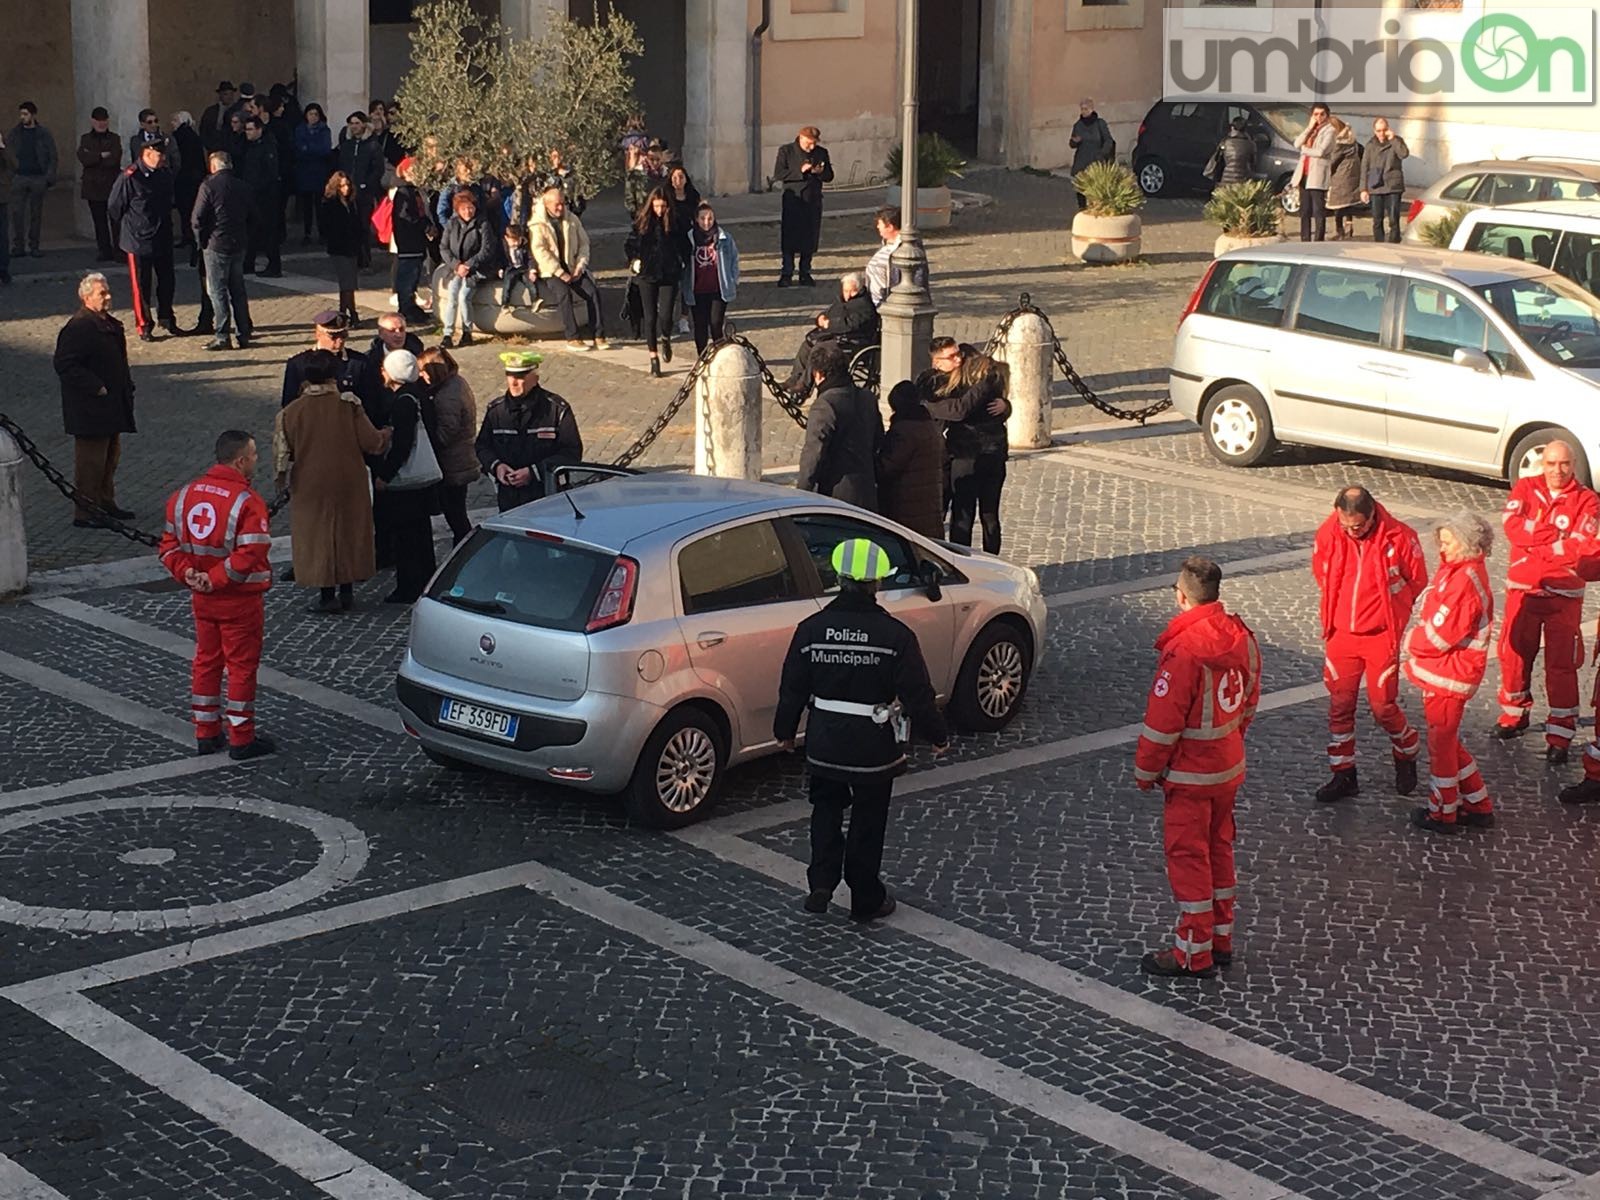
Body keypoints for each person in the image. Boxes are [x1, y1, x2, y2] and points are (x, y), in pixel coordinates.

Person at [775, 537, 950, 921]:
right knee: (868, 822)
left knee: (825, 810)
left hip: (824, 740)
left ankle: (821, 880)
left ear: (838, 577)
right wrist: (937, 735)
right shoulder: (896, 636)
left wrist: (784, 731)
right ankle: (865, 897)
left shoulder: (811, 629)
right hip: (873, 746)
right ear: (877, 584)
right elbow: (917, 692)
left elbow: (792, 687)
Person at [1134, 556, 1260, 978]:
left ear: (1181, 595)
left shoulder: (1184, 650)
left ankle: (1192, 951)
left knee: (1188, 858)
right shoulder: (1241, 636)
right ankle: (1221, 938)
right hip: (1228, 768)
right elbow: (1250, 698)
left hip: (1190, 776)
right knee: (1220, 850)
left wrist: (1146, 772)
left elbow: (1162, 724)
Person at [156, 430, 275, 760]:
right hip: (238, 599)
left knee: (206, 662)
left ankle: (206, 732)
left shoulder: (183, 496)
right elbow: (250, 552)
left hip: (201, 598)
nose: (256, 461)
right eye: (253, 456)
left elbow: (168, 546)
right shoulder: (247, 502)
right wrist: (216, 578)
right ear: (240, 461)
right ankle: (241, 738)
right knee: (240, 668)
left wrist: (188, 573)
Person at [1308, 486, 1428, 803]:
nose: (1350, 531)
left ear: (1372, 514)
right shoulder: (1329, 533)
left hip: (1379, 636)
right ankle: (1343, 774)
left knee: (1383, 707)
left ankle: (1407, 750)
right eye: (1345, 525)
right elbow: (1321, 572)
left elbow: (1417, 580)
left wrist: (1394, 614)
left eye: (1357, 526)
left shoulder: (1401, 537)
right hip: (1341, 635)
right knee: (1340, 706)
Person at [1495, 440, 1598, 760]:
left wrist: (1537, 541)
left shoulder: (1588, 501)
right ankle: (1514, 713)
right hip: (1523, 589)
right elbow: (1513, 528)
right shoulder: (1525, 488)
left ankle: (1561, 733)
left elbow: (1582, 546)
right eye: (1552, 464)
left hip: (1564, 596)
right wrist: (1557, 537)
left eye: (1564, 464)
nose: (1558, 471)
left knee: (1562, 665)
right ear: (1543, 464)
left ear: (1574, 465)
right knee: (1513, 655)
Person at [1399, 512, 1497, 834]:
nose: (1442, 546)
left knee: (1441, 747)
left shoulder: (1463, 581)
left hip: (1449, 674)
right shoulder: (1459, 570)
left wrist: (1408, 641)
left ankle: (1442, 813)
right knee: (1449, 743)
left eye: (1447, 540)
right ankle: (1478, 804)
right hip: (1450, 672)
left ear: (1465, 542)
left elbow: (1439, 637)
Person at [276, 349, 391, 614]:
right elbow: (371, 442)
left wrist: (281, 482)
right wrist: (386, 434)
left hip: (309, 482)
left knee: (318, 535)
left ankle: (326, 594)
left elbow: (283, 452)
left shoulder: (290, 412)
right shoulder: (349, 405)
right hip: (349, 478)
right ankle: (347, 589)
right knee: (348, 531)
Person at [53, 272, 136, 527]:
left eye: (108, 291)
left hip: (111, 404)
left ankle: (105, 501)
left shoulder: (109, 324)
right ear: (86, 297)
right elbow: (65, 364)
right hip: (90, 408)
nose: (108, 297)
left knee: (110, 457)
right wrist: (95, 386)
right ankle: (86, 511)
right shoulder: (79, 327)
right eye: (102, 293)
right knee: (90, 463)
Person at [921, 339, 1010, 554]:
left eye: (958, 353)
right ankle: (963, 560)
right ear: (937, 361)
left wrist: (1006, 407)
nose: (958, 358)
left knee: (988, 514)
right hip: (963, 454)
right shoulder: (933, 384)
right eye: (951, 357)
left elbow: (993, 403)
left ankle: (990, 561)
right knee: (963, 514)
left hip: (988, 452)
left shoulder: (979, 370)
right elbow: (957, 410)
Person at [371, 349, 442, 604]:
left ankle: (409, 587)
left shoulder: (403, 401)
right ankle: (425, 580)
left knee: (407, 536)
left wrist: (385, 475)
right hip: (423, 481)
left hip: (407, 482)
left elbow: (403, 444)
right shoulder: (420, 395)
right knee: (421, 534)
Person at [475, 351, 582, 511]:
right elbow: (482, 446)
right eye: (510, 375)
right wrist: (497, 466)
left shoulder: (556, 409)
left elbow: (571, 452)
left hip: (547, 496)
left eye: (521, 376)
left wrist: (534, 472)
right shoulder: (496, 411)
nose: (514, 382)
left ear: (535, 378)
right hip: (509, 498)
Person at [107, 136, 179, 342]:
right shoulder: (131, 177)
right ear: (147, 154)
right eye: (159, 154)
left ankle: (166, 316)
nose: (163, 158)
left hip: (163, 235)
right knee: (141, 285)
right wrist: (128, 229)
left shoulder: (164, 174)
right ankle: (144, 324)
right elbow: (114, 206)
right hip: (138, 239)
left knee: (167, 280)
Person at [796, 341, 881, 512]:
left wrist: (800, 495)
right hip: (867, 490)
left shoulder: (825, 405)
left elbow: (813, 454)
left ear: (818, 375)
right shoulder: (867, 397)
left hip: (837, 494)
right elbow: (878, 440)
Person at [531, 185, 608, 352]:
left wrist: (580, 266)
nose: (560, 208)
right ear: (547, 204)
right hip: (551, 271)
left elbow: (584, 244)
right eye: (556, 204)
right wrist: (559, 272)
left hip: (573, 267)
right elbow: (540, 251)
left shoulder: (572, 219)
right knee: (564, 294)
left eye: (562, 203)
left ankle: (599, 334)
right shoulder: (537, 224)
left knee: (592, 292)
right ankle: (572, 337)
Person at [190, 150, 254, 352]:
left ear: (213, 166)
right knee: (238, 289)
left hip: (216, 243)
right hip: (238, 243)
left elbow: (197, 218)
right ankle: (244, 332)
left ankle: (222, 334)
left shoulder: (208, 186)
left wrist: (201, 242)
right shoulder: (242, 186)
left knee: (217, 291)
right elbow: (254, 215)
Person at [780, 272, 878, 397]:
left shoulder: (864, 306)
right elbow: (831, 312)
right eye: (845, 291)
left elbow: (850, 324)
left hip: (852, 341)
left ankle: (804, 385)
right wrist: (821, 319)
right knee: (807, 345)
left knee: (819, 350)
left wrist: (829, 324)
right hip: (837, 336)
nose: (847, 295)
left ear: (859, 290)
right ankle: (795, 378)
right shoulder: (842, 300)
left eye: (851, 291)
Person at [420, 346, 479, 544]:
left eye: (423, 371)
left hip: (454, 463)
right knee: (456, 511)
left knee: (455, 514)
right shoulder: (455, 383)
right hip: (461, 459)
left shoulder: (447, 395)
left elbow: (446, 432)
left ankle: (463, 549)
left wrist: (427, 443)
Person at [625, 188, 686, 376]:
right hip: (647, 274)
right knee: (650, 317)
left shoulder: (675, 223)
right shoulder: (642, 223)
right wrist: (634, 260)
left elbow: (684, 244)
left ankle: (665, 337)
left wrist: (680, 261)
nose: (659, 210)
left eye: (663, 206)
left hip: (669, 273)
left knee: (666, 315)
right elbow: (630, 244)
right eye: (657, 206)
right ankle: (653, 358)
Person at [875, 381, 945, 540]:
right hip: (928, 506)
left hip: (906, 508)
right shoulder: (929, 425)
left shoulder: (904, 431)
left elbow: (887, 467)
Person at [280, 309, 376, 417]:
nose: (339, 341)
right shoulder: (298, 364)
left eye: (343, 335)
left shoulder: (359, 363)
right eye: (333, 337)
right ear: (318, 334)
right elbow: (289, 406)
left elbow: (371, 404)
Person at [774, 126, 833, 287]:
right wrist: (800, 171)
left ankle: (805, 272)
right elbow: (779, 174)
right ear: (801, 137)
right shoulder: (786, 151)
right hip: (793, 200)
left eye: (814, 143)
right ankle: (786, 273)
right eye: (809, 143)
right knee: (790, 238)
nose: (812, 147)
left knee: (810, 238)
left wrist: (819, 172)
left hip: (813, 200)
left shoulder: (821, 152)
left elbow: (829, 176)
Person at [438, 188, 497, 349]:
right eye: (464, 208)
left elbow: (487, 249)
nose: (468, 211)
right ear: (458, 210)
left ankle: (467, 331)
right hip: (456, 267)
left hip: (476, 269)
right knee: (452, 295)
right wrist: (456, 265)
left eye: (470, 207)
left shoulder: (483, 224)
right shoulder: (452, 224)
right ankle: (447, 334)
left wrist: (470, 265)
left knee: (464, 296)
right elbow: (444, 247)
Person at [683, 202, 738, 354]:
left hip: (718, 289)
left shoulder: (724, 238)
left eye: (710, 218)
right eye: (703, 218)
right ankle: (702, 357)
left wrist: (733, 280)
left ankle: (718, 356)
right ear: (696, 219)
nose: (706, 222)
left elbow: (734, 259)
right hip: (697, 290)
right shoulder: (689, 239)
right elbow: (684, 264)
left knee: (716, 324)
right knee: (700, 325)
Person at [9, 101, 57, 259]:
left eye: (26, 114)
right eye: (21, 114)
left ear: (33, 115)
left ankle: (34, 245)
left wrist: (48, 177)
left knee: (36, 214)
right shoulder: (15, 133)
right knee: (17, 214)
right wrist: (11, 175)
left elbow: (52, 155)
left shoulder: (43, 134)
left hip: (38, 177)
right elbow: (8, 154)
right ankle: (19, 246)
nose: (23, 117)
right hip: (20, 176)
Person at [336, 111, 384, 268]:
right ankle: (350, 256)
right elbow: (341, 165)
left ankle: (364, 259)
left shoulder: (372, 145)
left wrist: (366, 184)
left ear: (363, 124)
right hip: (347, 191)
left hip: (364, 192)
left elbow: (378, 169)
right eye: (351, 123)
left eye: (357, 123)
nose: (354, 126)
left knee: (363, 225)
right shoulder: (347, 145)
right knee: (348, 225)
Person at [389, 156, 432, 324]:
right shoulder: (404, 193)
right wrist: (424, 226)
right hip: (408, 241)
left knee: (413, 275)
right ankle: (405, 307)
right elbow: (407, 217)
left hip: (416, 241)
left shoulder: (413, 191)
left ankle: (410, 305)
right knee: (407, 275)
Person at [76, 107, 122, 262]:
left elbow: (114, 159)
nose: (101, 123)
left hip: (111, 186)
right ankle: (104, 250)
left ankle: (119, 250)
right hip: (93, 187)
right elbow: (83, 158)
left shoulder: (115, 138)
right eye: (98, 120)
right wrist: (101, 155)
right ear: (92, 121)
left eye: (104, 120)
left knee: (116, 221)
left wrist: (95, 157)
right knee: (99, 222)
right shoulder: (85, 139)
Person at [239, 115, 281, 276]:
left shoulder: (268, 146)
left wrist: (257, 188)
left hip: (266, 196)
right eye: (246, 129)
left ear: (259, 130)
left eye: (250, 129)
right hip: (251, 195)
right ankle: (248, 263)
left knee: (269, 232)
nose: (247, 133)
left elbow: (270, 173)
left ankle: (274, 265)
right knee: (251, 232)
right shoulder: (249, 146)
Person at [320, 170, 363, 328]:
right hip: (339, 248)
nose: (346, 189)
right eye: (342, 186)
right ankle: (348, 314)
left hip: (351, 247)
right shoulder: (330, 203)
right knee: (347, 283)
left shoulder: (352, 202)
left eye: (347, 185)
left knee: (349, 284)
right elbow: (325, 227)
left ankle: (347, 313)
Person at [864, 207, 929, 308]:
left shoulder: (908, 248)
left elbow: (918, 278)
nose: (877, 227)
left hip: (891, 305)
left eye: (879, 224)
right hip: (877, 304)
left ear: (890, 227)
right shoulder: (886, 245)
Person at [1361, 118, 1410, 244]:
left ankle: (1394, 243)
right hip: (1376, 185)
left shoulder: (1396, 141)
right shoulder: (1370, 144)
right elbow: (1364, 166)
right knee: (1377, 219)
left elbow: (1404, 154)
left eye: (1384, 130)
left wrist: (1393, 139)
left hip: (1393, 186)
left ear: (1388, 129)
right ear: (1374, 131)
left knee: (1394, 219)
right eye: (1378, 131)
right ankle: (1379, 244)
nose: (1381, 134)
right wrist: (1363, 189)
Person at [1291, 102, 1335, 243]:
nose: (1319, 117)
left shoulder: (1330, 131)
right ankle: (1305, 239)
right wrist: (1309, 128)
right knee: (1304, 211)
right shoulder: (1311, 130)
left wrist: (1305, 150)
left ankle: (1318, 240)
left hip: (1317, 174)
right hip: (1304, 174)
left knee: (1318, 211)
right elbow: (1297, 144)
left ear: (1327, 115)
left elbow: (1321, 151)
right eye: (1316, 114)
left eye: (1322, 114)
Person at [293, 103, 334, 245]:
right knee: (306, 205)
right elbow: (298, 148)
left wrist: (308, 148)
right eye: (310, 114)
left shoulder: (324, 130)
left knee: (320, 204)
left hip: (319, 172)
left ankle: (323, 232)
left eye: (316, 114)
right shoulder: (300, 129)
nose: (313, 117)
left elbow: (325, 149)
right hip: (304, 171)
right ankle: (307, 232)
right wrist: (311, 149)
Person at [1068, 98, 1116, 209]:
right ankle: (1082, 208)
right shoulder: (1078, 125)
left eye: (1085, 109)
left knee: (1097, 187)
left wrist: (1102, 153)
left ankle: (1097, 208)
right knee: (1081, 187)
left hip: (1096, 159)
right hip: (1082, 160)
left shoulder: (1100, 124)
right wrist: (1075, 141)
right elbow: (1071, 144)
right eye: (1082, 109)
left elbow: (1108, 140)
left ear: (1091, 109)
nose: (1083, 111)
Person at [1325, 118, 1364, 241]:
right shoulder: (1352, 140)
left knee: (1338, 205)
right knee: (1348, 204)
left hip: (1340, 176)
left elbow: (1333, 161)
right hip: (1352, 176)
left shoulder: (1340, 143)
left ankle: (1339, 230)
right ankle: (1349, 225)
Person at [170, 112, 205, 248]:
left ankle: (188, 236)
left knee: (185, 209)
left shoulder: (179, 137)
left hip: (184, 178)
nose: (172, 123)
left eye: (174, 120)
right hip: (195, 178)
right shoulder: (194, 136)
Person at [1204, 116, 1256, 187]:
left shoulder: (1225, 142)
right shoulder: (1251, 145)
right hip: (1242, 182)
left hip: (1225, 180)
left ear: (1232, 128)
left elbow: (1217, 159)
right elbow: (1253, 162)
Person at [499, 223, 536, 312]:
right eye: (513, 241)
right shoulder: (503, 247)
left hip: (523, 268)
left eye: (518, 240)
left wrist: (532, 269)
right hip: (512, 268)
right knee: (508, 283)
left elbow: (530, 258)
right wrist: (500, 268)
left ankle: (535, 300)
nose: (516, 243)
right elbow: (500, 258)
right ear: (506, 238)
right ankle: (505, 304)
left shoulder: (525, 245)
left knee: (530, 282)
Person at [540, 146, 584, 216]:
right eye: (553, 156)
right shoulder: (546, 176)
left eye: (557, 156)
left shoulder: (572, 177)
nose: (556, 159)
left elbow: (579, 199)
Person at [199, 82, 241, 153]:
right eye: (226, 94)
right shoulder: (211, 111)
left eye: (231, 94)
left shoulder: (238, 110)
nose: (229, 97)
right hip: (214, 148)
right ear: (220, 95)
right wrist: (209, 145)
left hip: (233, 148)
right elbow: (204, 130)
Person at [0, 129, 14, 284]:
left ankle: (3, 269)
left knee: (2, 236)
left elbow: (13, 164)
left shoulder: (4, 146)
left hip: (1, 197)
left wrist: (2, 148)